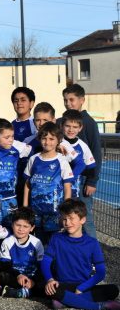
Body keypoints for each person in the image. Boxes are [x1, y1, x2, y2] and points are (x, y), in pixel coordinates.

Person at [42, 199, 120, 310]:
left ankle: (66, 301)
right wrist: (49, 280)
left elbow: (101, 273)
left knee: (113, 290)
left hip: (84, 285)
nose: (67, 223)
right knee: (49, 288)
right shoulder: (56, 238)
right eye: (64, 219)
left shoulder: (92, 243)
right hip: (62, 284)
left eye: (71, 218)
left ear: (82, 220)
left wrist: (81, 287)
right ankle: (99, 306)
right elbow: (45, 261)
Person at [60, 84, 102, 239]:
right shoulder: (63, 120)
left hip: (83, 178)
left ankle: (92, 254)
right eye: (65, 100)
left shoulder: (89, 122)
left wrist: (92, 180)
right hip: (65, 178)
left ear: (82, 100)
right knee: (67, 215)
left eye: (72, 100)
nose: (68, 103)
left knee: (84, 217)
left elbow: (96, 152)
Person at [23, 122, 74, 244]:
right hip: (36, 211)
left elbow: (67, 188)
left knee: (54, 243)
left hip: (55, 213)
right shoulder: (33, 159)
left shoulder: (62, 161)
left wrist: (65, 211)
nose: (47, 142)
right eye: (44, 138)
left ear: (58, 141)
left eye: (52, 138)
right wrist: (25, 206)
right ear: (39, 139)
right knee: (38, 242)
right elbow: (27, 184)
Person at [0, 119, 32, 228]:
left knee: (11, 228)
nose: (10, 140)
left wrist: (59, 145)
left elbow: (37, 150)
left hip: (10, 199)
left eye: (12, 136)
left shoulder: (17, 147)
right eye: (7, 137)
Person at [0, 207, 44, 299]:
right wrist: (18, 275)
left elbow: (41, 265)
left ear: (32, 228)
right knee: (2, 276)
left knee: (44, 282)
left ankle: (19, 292)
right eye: (18, 225)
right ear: (12, 224)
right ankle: (25, 292)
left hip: (32, 276)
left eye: (25, 226)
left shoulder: (37, 243)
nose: (21, 229)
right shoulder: (7, 242)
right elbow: (5, 265)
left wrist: (33, 281)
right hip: (16, 276)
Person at [60, 109, 96, 199]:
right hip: (55, 188)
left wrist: (72, 176)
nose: (71, 130)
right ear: (61, 126)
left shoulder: (83, 146)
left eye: (75, 127)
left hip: (73, 189)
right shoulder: (56, 141)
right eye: (67, 126)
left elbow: (91, 168)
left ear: (80, 128)